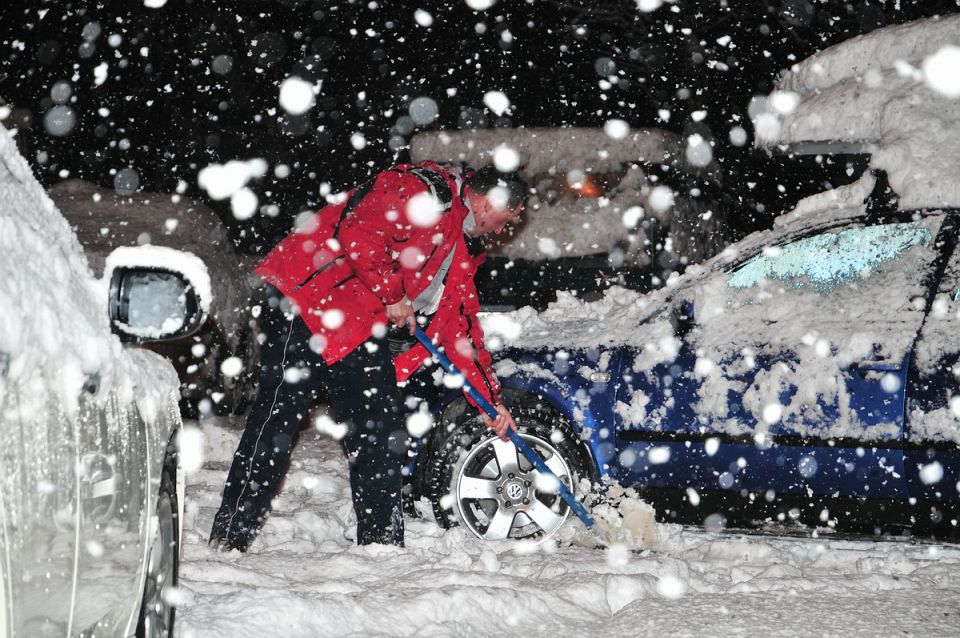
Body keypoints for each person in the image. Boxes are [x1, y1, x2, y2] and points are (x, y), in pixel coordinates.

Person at [209, 160, 528, 550]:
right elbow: (359, 232)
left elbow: (460, 329)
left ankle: (381, 547)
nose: (501, 230)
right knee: (277, 419)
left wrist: (490, 402)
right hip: (309, 301)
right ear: (487, 199)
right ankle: (230, 534)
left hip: (359, 327)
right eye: (505, 218)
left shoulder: (460, 252)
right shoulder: (426, 191)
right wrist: (394, 294)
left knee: (380, 433)